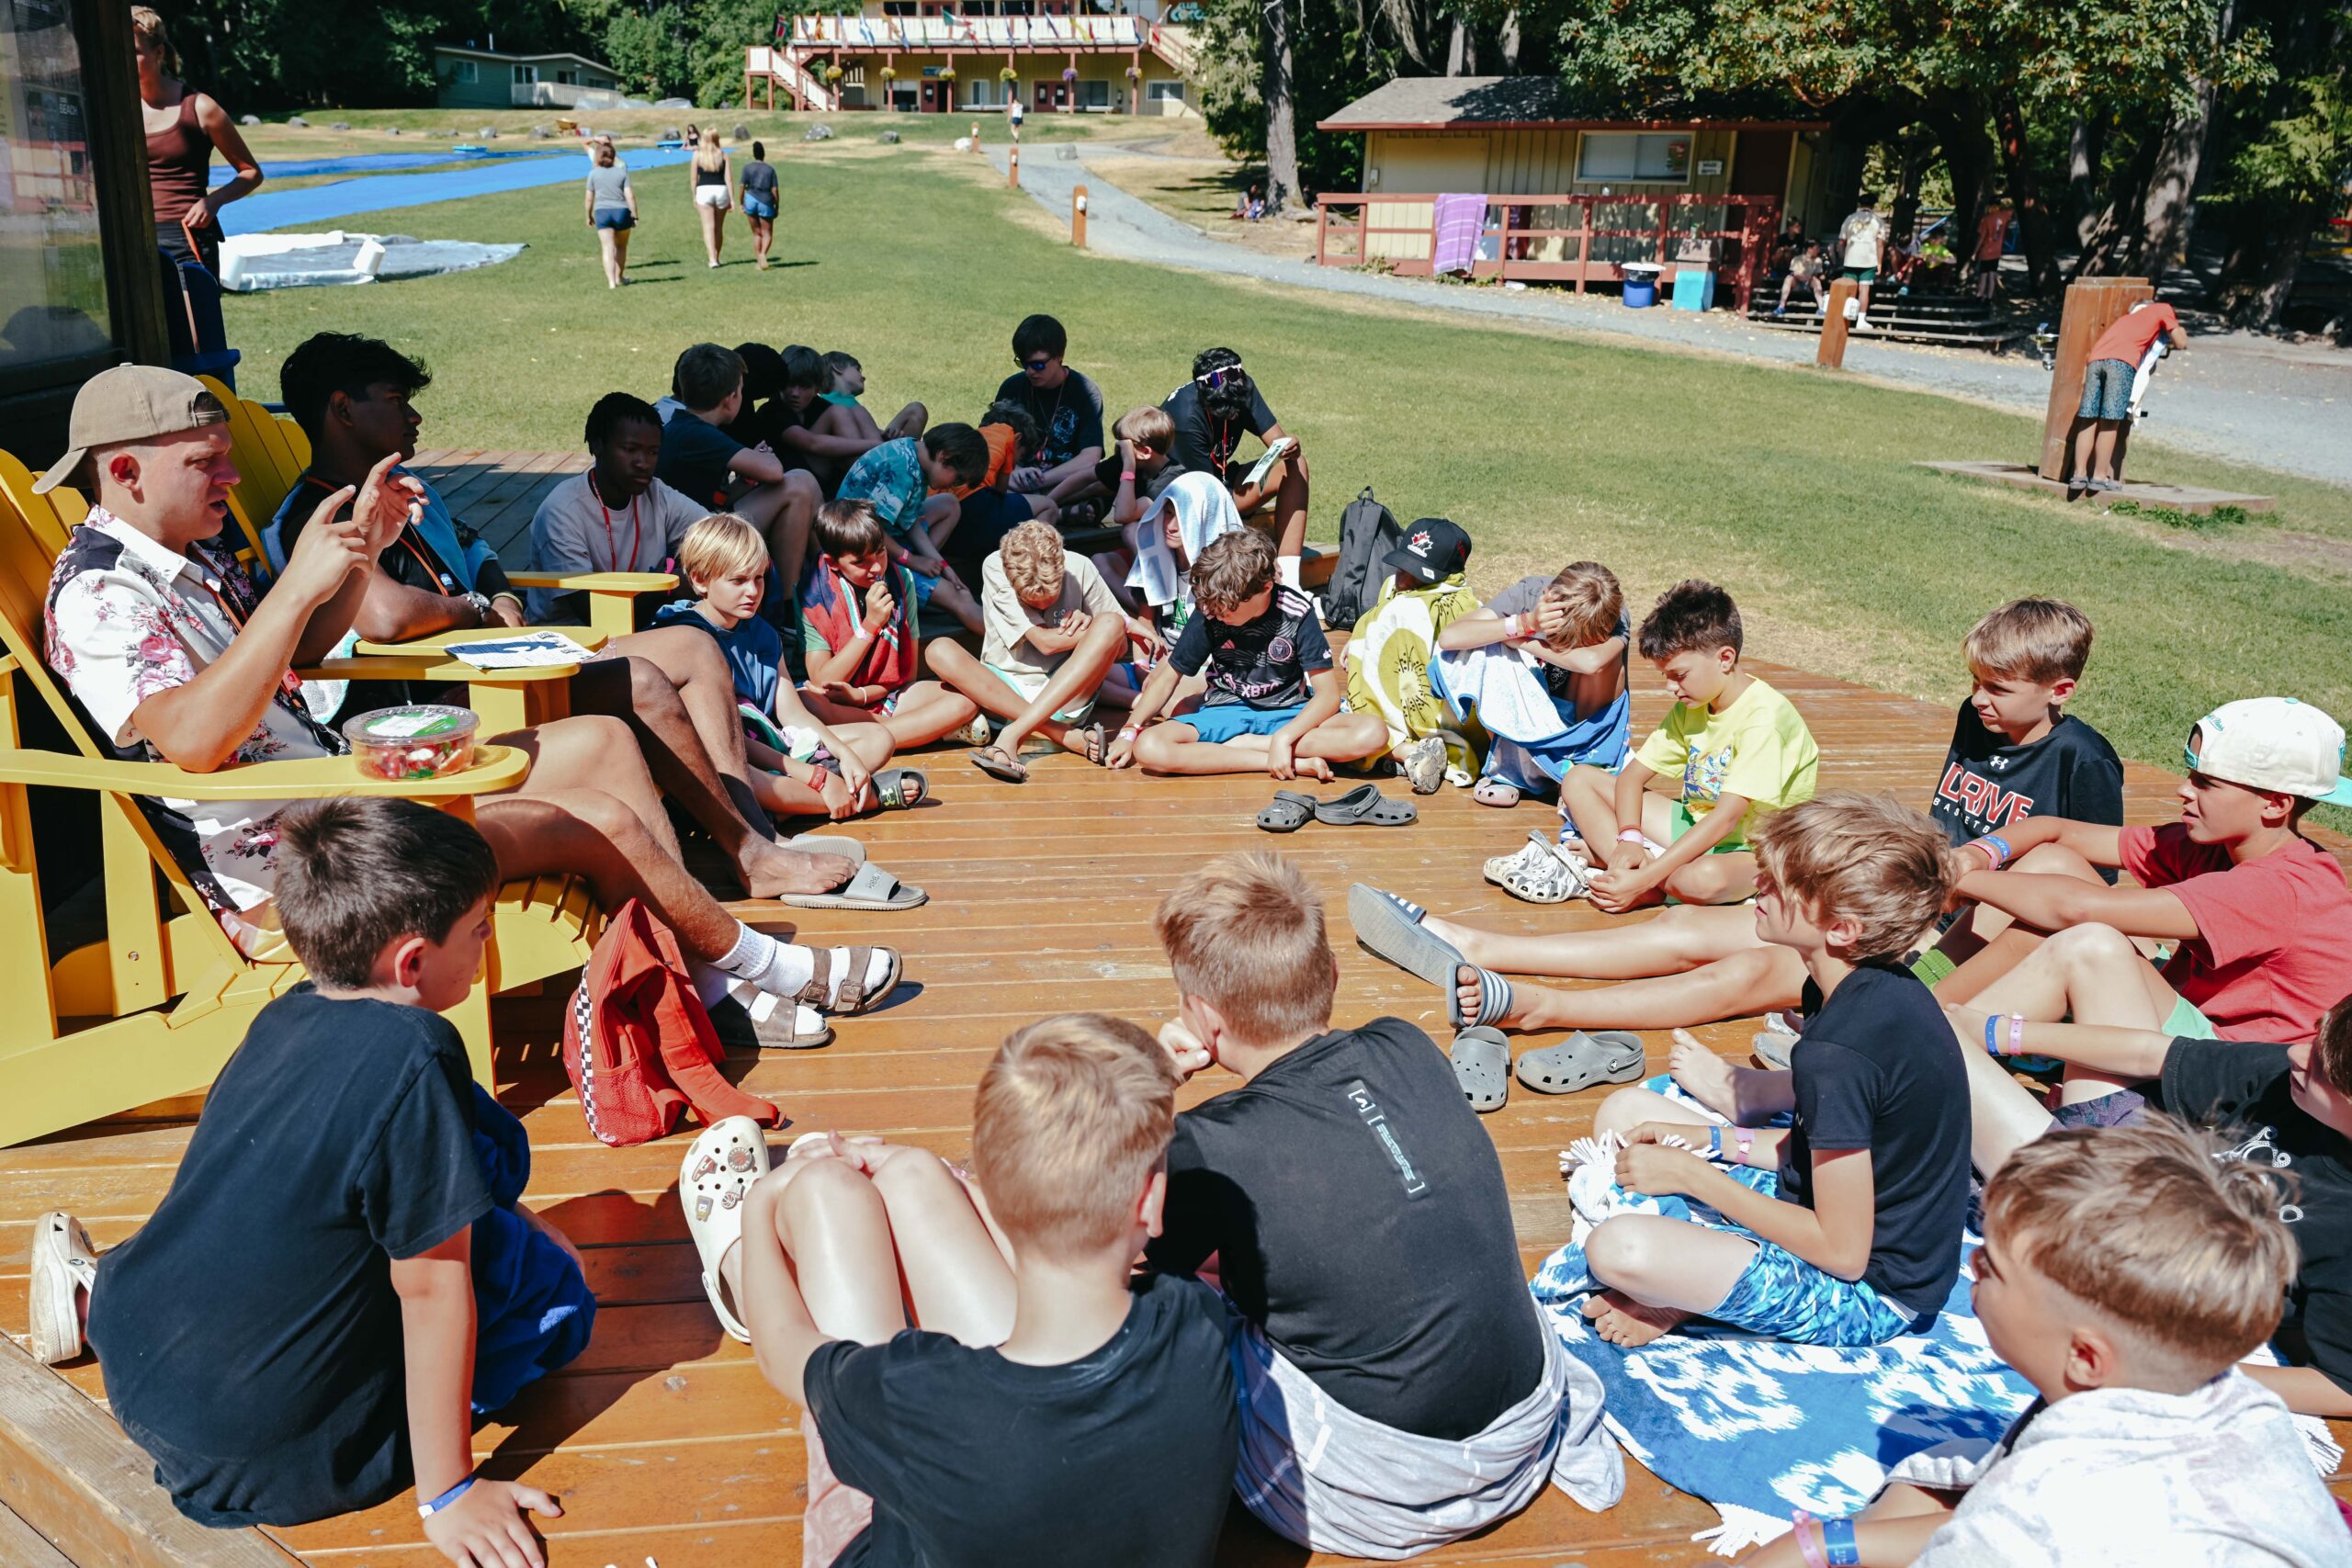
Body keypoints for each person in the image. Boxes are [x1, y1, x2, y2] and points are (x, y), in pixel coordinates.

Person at [40, 366, 878, 1047]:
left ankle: (697, 977)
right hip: (306, 868)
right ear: (126, 472)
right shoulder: (100, 595)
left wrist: (359, 557)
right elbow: (191, 739)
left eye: (228, 457)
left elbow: (293, 655)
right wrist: (294, 587)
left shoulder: (188, 556)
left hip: (342, 802)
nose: (228, 476)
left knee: (599, 740)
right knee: (599, 817)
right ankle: (743, 973)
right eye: (206, 462)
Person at [28, 800, 594, 1556]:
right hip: (275, 1457)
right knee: (556, 1296)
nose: (487, 945)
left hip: (138, 1364)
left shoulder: (284, 1015)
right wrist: (450, 1492)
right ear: (412, 962)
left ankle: (88, 1292)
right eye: (479, 930)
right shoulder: (418, 1053)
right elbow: (431, 1291)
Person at [1145, 852, 1610, 1556]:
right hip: (1526, 1415)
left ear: (1206, 1019)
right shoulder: (1405, 1042)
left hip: (1386, 1481)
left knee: (1165, 1296)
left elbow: (1115, 1240)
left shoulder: (1211, 1142)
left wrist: (1152, 1086)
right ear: (1332, 976)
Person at [682, 1014, 1238, 1568]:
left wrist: (760, 1204)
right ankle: (906, 1179)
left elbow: (783, 1349)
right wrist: (927, 1171)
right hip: (1017, 1477)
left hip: (903, 1518)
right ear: (1152, 1202)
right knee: (911, 1176)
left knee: (823, 1191)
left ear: (990, 1192)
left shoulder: (920, 1395)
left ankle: (743, 1270)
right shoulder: (1195, 1326)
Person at [272, 335, 809, 868]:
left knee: (692, 645)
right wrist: (480, 608)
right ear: (343, 409)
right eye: (396, 401)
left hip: (501, 663)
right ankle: (746, 850)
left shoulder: (403, 491)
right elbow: (387, 618)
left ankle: (752, 834)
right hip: (440, 707)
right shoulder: (319, 515)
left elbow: (477, 547)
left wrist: (503, 594)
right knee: (643, 681)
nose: (414, 417)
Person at [1744, 1119, 2346, 1566]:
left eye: (1995, 1266)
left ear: (2084, 1357)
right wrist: (1824, 1543)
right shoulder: (2239, 1406)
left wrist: (1807, 1548)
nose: (1973, 1262)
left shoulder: (2036, 1511)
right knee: (1923, 1487)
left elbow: (2013, 1528)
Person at [1576, 793, 1971, 1351]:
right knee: (1625, 1112)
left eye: (1778, 886)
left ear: (1842, 929)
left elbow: (1843, 1254)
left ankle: (1689, 1295)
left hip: (1872, 1293)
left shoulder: (1839, 1055)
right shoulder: (1859, 988)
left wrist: (1693, 1175)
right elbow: (1816, 1150)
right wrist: (1710, 1141)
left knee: (1619, 1251)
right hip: (1823, 1206)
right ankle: (1706, 1274)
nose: (1758, 888)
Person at [1944, 994, 2352, 1426]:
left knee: (1933, 1032)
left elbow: (2343, 1388)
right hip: (2130, 1170)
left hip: (2106, 1244)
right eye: (2315, 1036)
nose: (2296, 1053)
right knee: (2095, 958)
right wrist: (2001, 1032)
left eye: (2322, 1068)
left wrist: (2165, 1373)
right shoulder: (2291, 1077)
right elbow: (2156, 1054)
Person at [1945, 698, 2352, 1101]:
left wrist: (1960, 880)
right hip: (2192, 1020)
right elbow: (2057, 832)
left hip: (2236, 1077)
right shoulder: (2221, 846)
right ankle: (1934, 1000)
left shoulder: (2276, 889)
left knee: (2086, 944)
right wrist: (1977, 855)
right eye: (2190, 775)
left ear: (2276, 804)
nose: (2183, 789)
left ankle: (1936, 1046)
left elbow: (2076, 909)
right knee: (2052, 863)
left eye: (2205, 783)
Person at [1554, 578, 1818, 911]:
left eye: (1679, 675)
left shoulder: (1765, 720)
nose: (1670, 687)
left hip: (1756, 850)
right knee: (1578, 779)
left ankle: (1640, 876)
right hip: (1694, 824)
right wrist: (1629, 837)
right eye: (1665, 676)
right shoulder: (1694, 705)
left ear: (1725, 658)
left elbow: (1725, 820)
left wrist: (1644, 875)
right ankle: (1638, 867)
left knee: (1701, 879)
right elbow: (1631, 777)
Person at [651, 513, 914, 822]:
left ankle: (789, 806)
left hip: (772, 745)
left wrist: (845, 755)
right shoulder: (682, 635)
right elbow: (725, 741)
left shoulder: (762, 633)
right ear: (699, 580)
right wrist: (814, 777)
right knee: (740, 778)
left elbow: (793, 714)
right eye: (738, 581)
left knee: (878, 740)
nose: (752, 591)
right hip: (723, 755)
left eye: (758, 578)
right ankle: (867, 798)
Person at [1107, 530, 1385, 780]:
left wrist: (1284, 737)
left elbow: (1327, 695)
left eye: (1228, 609)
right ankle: (1272, 759)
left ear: (1265, 588)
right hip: (1226, 710)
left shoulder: (1296, 612)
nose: (1218, 614)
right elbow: (1169, 677)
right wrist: (1129, 731)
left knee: (1373, 733)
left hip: (1289, 712)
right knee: (1149, 747)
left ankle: (1241, 747)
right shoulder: (1211, 610)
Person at [930, 519, 1148, 780]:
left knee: (1111, 622)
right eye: (1031, 602)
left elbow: (1118, 644)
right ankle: (1062, 735)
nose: (1043, 606)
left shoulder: (1080, 566)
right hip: (1003, 695)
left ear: (1062, 567)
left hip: (1065, 697)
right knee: (938, 649)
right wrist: (1090, 632)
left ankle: (1013, 734)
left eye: (1051, 597)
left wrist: (1095, 625)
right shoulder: (994, 565)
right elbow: (1045, 643)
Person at [1439, 558, 1631, 814]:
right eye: (1560, 637)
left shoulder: (1609, 610)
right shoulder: (1528, 594)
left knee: (1607, 665)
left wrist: (1522, 641)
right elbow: (1449, 637)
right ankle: (1508, 768)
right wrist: (1525, 623)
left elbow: (1591, 663)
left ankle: (1584, 769)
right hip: (1528, 709)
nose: (1563, 646)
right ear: (1546, 596)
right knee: (1485, 640)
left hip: (1578, 718)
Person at [797, 499, 988, 750]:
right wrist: (870, 626)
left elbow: (907, 675)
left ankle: (859, 738)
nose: (876, 567)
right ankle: (913, 731)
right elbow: (823, 682)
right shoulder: (814, 594)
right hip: (838, 705)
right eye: (860, 562)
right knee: (808, 700)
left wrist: (861, 696)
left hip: (886, 697)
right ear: (833, 563)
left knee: (964, 702)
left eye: (880, 552)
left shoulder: (901, 579)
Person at [657, 343, 822, 602]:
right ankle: (793, 600)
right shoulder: (696, 432)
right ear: (731, 397)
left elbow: (715, 498)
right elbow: (774, 471)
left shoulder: (688, 427)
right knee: (798, 486)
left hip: (703, 525)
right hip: (698, 541)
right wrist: (763, 458)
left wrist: (746, 479)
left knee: (803, 483)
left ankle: (820, 580)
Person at [526, 391, 706, 625]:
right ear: (597, 445)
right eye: (630, 449)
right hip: (571, 635)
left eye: (652, 452)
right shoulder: (562, 512)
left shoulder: (656, 494)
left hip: (641, 627)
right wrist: (668, 586)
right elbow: (593, 613)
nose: (643, 463)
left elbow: (719, 534)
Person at [1340, 516, 1479, 793]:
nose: (1402, 579)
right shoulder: (1392, 588)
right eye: (1402, 566)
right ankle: (1405, 752)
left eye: (1417, 574)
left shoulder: (1452, 606)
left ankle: (1399, 749)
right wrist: (1360, 640)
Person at [1158, 347, 1311, 589]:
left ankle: (1290, 581)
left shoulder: (1241, 385)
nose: (1230, 416)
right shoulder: (1185, 417)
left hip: (1219, 479)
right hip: (1184, 495)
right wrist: (1255, 549)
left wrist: (1291, 447)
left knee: (1295, 464)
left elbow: (1278, 442)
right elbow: (1209, 502)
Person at [132, 6, 261, 274]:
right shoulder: (116, 110)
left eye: (134, 52)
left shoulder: (200, 107)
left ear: (159, 53)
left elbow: (251, 173)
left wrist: (212, 202)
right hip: (131, 237)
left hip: (186, 236)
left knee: (192, 305)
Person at [835, 424, 989, 635]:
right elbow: (871, 527)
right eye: (959, 479)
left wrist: (944, 567)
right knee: (959, 599)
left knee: (949, 504)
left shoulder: (914, 454)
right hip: (863, 552)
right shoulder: (903, 471)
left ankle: (918, 583)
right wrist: (912, 560)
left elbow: (909, 521)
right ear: (944, 456)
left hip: (882, 536)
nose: (955, 486)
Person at [2068, 299, 2188, 493]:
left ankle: (2078, 474)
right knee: (2110, 421)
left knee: (2089, 419)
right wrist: (2179, 328)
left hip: (2096, 360)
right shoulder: (2163, 309)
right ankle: (2099, 476)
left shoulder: (2127, 319)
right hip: (2121, 363)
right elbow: (2181, 342)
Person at [992, 314, 1107, 517]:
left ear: (1059, 356)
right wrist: (1015, 472)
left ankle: (1030, 507)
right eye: (1023, 364)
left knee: (1108, 479)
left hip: (1062, 480)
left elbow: (1090, 457)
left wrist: (1040, 480)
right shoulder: (1012, 387)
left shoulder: (1085, 391)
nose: (1030, 371)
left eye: (1038, 365)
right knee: (980, 479)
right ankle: (1058, 511)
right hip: (1016, 478)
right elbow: (991, 446)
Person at [942, 400, 1053, 583]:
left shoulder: (974, 437)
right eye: (1020, 455)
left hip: (946, 524)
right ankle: (1027, 573)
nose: (1016, 464)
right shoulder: (1008, 436)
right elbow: (1000, 492)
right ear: (1018, 439)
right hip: (973, 516)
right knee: (1048, 506)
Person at [583, 135, 638, 288]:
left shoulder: (593, 174)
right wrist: (634, 215)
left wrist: (588, 215)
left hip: (602, 213)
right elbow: (630, 196)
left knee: (607, 247)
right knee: (621, 246)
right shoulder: (621, 173)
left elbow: (589, 198)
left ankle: (611, 282)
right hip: (621, 211)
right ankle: (619, 277)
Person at [1837, 192, 1890, 333]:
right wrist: (1879, 262)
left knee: (1849, 288)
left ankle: (1844, 316)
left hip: (1851, 257)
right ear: (1873, 205)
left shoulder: (1850, 219)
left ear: (1859, 204)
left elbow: (1842, 241)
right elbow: (1880, 244)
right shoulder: (1878, 221)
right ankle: (1861, 319)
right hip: (1868, 258)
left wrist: (1842, 257)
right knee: (1864, 290)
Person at [689, 129, 731, 268]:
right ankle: (717, 257)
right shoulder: (723, 155)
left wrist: (694, 195)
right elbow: (728, 179)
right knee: (718, 228)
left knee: (708, 228)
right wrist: (731, 198)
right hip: (721, 190)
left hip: (704, 190)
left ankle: (712, 259)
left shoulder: (697, 155)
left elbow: (694, 178)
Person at [739, 140, 779, 270]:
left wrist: (741, 202)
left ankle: (759, 262)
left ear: (754, 154)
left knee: (756, 233)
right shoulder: (770, 169)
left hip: (750, 199)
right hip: (765, 201)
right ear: (764, 154)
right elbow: (774, 190)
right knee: (767, 233)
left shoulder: (747, 168)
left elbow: (742, 186)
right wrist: (777, 206)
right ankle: (762, 254)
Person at [1771, 240, 1826, 317]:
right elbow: (1794, 273)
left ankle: (1821, 308)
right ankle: (1781, 306)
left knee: (1816, 281)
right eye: (1816, 248)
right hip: (1797, 282)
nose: (1818, 250)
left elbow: (1816, 274)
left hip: (1809, 283)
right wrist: (1804, 277)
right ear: (1810, 249)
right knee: (1788, 278)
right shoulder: (1797, 259)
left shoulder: (1818, 260)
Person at [1973, 199, 2010, 301]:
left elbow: (1981, 238)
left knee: (1983, 275)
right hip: (1996, 251)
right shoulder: (2004, 216)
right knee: (1992, 274)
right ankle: (1989, 297)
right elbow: (2010, 212)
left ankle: (1979, 295)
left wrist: (1975, 252)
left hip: (1986, 251)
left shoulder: (1986, 220)